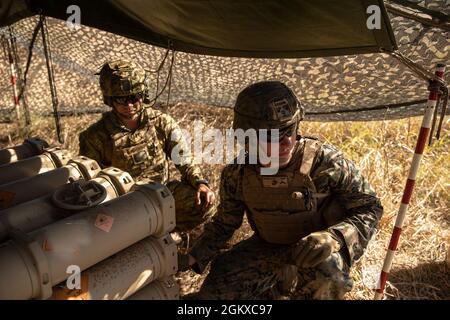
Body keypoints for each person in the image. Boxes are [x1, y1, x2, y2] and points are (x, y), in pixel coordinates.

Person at [181, 80, 383, 299]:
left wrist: (335, 237)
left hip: (316, 253)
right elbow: (225, 223)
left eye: (290, 129)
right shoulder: (237, 173)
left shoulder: (326, 162)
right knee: (217, 288)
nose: (287, 142)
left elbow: (370, 207)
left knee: (328, 277)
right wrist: (193, 256)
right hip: (267, 247)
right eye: (272, 135)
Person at [79, 59, 215, 233]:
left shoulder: (160, 123)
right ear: (110, 99)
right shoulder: (95, 136)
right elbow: (90, 185)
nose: (129, 105)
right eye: (121, 99)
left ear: (143, 95)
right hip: (122, 205)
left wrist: (200, 183)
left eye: (134, 97)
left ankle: (164, 232)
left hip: (161, 195)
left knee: (204, 203)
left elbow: (184, 160)